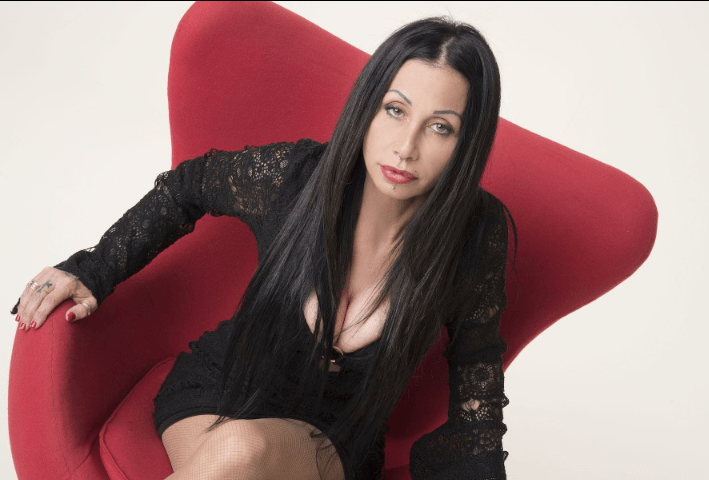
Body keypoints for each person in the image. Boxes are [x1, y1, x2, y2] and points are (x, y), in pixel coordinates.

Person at [11, 15, 518, 480]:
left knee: (245, 453)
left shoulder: (476, 235)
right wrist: (95, 269)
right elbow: (189, 185)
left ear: (466, 144)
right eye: (395, 110)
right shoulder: (296, 180)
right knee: (239, 452)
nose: (406, 147)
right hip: (220, 392)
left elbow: (475, 364)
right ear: (367, 107)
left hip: (332, 441)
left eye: (440, 127)